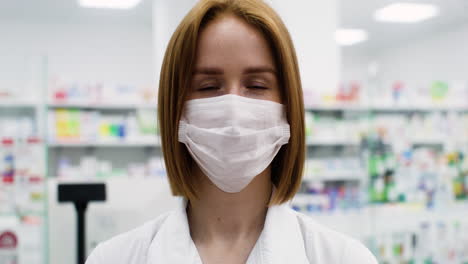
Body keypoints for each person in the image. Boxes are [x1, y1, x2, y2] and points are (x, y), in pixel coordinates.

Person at [86, 0, 378, 263]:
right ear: (176, 112)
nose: (234, 109)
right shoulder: (114, 258)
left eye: (258, 85)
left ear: (288, 108)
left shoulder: (344, 258)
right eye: (209, 87)